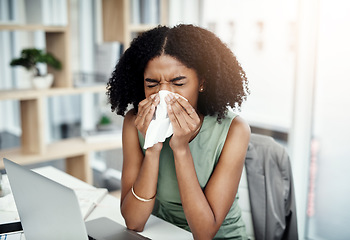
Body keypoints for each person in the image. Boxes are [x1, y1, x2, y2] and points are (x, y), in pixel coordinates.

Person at [107, 24, 250, 240]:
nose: (163, 94)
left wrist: (181, 149)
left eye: (178, 82)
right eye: (152, 83)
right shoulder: (134, 123)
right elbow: (134, 222)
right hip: (161, 233)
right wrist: (153, 147)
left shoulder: (235, 130)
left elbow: (204, 232)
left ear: (201, 82)